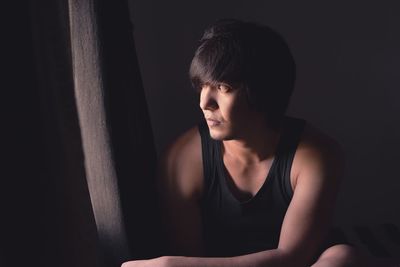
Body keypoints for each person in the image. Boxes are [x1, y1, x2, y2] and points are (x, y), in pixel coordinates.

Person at [122, 19, 392, 267]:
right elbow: (191, 255)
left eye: (223, 87)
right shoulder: (183, 158)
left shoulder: (316, 154)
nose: (204, 102)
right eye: (202, 86)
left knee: (343, 257)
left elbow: (292, 257)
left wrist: (170, 265)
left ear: (262, 90)